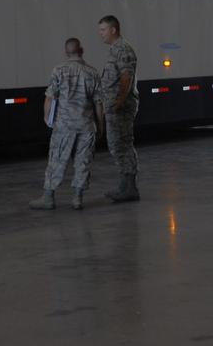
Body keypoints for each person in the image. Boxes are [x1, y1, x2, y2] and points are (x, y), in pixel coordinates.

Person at [30, 38, 104, 211]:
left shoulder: (59, 70)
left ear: (66, 52)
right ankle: (77, 198)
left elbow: (49, 98)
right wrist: (101, 125)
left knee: (56, 159)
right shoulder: (92, 73)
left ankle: (48, 197)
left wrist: (47, 118)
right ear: (82, 50)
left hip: (64, 126)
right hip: (86, 125)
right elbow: (99, 103)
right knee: (83, 161)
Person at [97, 15, 140, 203]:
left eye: (103, 30)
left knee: (121, 144)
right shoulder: (115, 50)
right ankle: (125, 185)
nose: (101, 34)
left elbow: (125, 78)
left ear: (113, 30)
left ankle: (129, 188)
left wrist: (120, 101)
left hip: (120, 107)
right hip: (115, 105)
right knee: (118, 144)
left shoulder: (123, 49)